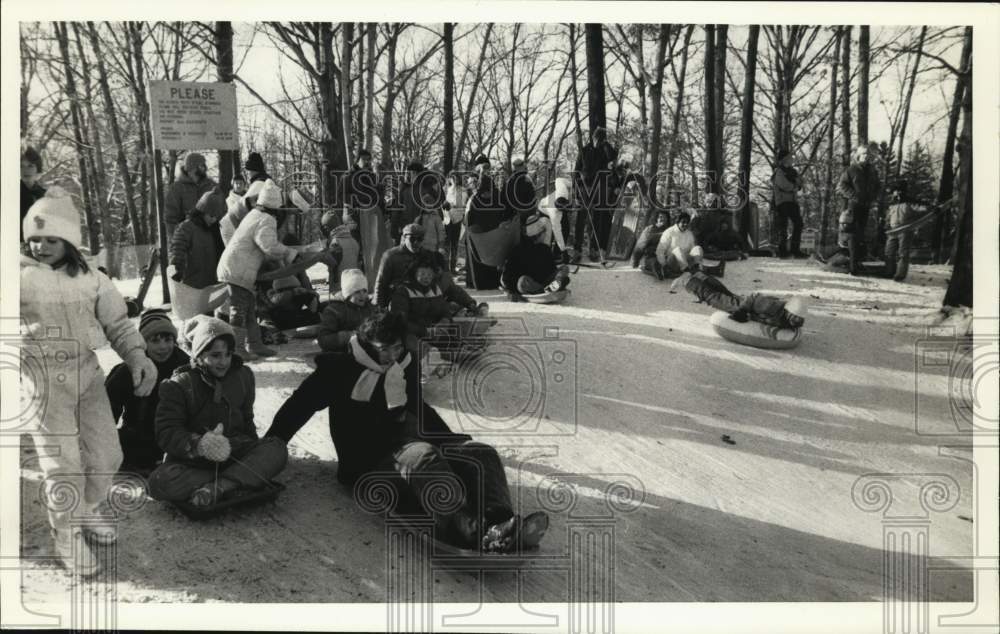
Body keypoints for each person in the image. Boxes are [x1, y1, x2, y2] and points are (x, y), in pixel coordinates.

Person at [265, 311, 549, 552]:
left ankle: (502, 524)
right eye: (383, 348)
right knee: (423, 456)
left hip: (402, 446)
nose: (391, 355)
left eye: (396, 347)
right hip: (366, 463)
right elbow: (299, 406)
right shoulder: (340, 369)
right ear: (366, 344)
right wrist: (271, 444)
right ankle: (475, 533)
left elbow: (418, 406)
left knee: (480, 452)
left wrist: (454, 443)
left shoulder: (404, 364)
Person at [21, 187, 158, 576]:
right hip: (42, 383)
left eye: (51, 238)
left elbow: (116, 322)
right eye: (35, 237)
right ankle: (67, 533)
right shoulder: (18, 277)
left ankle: (87, 507)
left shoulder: (91, 278)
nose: (41, 245)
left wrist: (136, 355)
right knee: (62, 466)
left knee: (106, 455)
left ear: (69, 241)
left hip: (86, 375)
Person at [148, 316, 288, 509]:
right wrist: (199, 444)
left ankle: (218, 488)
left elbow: (247, 418)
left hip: (234, 451)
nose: (223, 362)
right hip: (197, 462)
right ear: (199, 355)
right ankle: (240, 480)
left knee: (277, 449)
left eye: (228, 354)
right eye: (215, 355)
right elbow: (166, 432)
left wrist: (253, 453)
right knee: (159, 482)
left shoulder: (243, 376)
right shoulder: (179, 385)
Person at [217, 179, 296, 360]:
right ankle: (236, 348)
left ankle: (255, 344)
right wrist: (289, 252)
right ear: (276, 205)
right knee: (239, 309)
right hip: (238, 270)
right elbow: (269, 246)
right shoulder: (266, 219)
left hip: (236, 267)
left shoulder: (255, 214)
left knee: (250, 308)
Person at [106, 309, 190, 476]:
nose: (163, 347)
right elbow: (106, 413)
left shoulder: (185, 366)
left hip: (175, 436)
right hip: (139, 437)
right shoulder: (127, 371)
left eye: (168, 339)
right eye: (155, 340)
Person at [390, 250, 480, 356]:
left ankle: (458, 348)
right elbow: (400, 321)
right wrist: (425, 331)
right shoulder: (403, 291)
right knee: (414, 343)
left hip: (434, 331)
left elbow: (444, 310)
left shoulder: (435, 288)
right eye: (422, 273)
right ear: (414, 272)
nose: (426, 277)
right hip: (414, 333)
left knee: (451, 331)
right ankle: (436, 355)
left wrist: (444, 321)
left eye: (429, 274)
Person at [374, 223, 465, 309]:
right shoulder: (391, 256)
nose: (416, 243)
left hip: (421, 296)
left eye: (420, 239)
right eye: (412, 239)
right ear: (404, 238)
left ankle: (469, 304)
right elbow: (381, 283)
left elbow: (442, 281)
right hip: (400, 298)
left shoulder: (427, 255)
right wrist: (378, 308)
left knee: (445, 280)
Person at [683, 271, 808, 330]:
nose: (797, 322)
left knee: (724, 294)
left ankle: (701, 277)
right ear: (789, 312)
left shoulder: (791, 319)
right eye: (796, 318)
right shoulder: (771, 307)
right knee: (715, 298)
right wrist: (741, 311)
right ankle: (689, 282)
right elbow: (754, 297)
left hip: (748, 306)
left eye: (799, 320)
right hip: (745, 305)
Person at [463, 166, 514, 290]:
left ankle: (478, 282)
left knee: (481, 258)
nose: (487, 194)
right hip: (492, 234)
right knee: (489, 258)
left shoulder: (476, 199)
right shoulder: (498, 197)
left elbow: (469, 218)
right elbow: (508, 213)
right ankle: (489, 282)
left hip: (483, 235)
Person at [169, 190, 227, 297]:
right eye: (211, 215)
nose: (213, 219)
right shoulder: (187, 227)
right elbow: (177, 247)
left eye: (216, 217)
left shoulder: (215, 230)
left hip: (212, 286)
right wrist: (176, 267)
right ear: (201, 212)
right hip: (192, 286)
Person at [573, 127, 618, 262]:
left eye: (601, 140)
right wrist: (576, 192)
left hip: (598, 190)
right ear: (592, 137)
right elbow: (576, 171)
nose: (598, 142)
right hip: (584, 189)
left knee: (595, 220)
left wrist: (606, 145)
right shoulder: (584, 150)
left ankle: (593, 250)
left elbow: (613, 158)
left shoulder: (604, 151)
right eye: (597, 139)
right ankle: (577, 250)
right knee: (581, 220)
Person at [838, 143, 882, 273]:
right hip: (853, 206)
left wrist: (874, 197)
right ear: (858, 155)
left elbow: (878, 186)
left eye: (869, 154)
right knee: (852, 234)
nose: (867, 157)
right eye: (864, 154)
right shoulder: (851, 170)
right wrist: (854, 196)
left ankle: (858, 261)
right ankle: (853, 266)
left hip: (866, 206)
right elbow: (842, 186)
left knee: (861, 234)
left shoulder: (873, 171)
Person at [317, 269, 376, 353]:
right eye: (357, 292)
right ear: (348, 294)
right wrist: (348, 336)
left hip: (368, 351)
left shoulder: (370, 308)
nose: (362, 295)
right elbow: (324, 340)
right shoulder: (334, 310)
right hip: (343, 353)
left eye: (364, 291)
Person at [164, 152, 217, 243]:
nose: (204, 168)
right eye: (201, 166)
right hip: (187, 240)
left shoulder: (211, 186)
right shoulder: (176, 188)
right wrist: (177, 241)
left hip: (211, 239)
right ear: (191, 168)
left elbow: (222, 209)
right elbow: (170, 218)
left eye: (204, 165)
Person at [500, 239, 571, 302]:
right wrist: (511, 292)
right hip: (531, 284)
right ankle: (545, 289)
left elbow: (552, 268)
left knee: (564, 268)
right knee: (523, 281)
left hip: (545, 281)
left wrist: (557, 277)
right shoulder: (517, 250)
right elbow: (507, 277)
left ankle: (553, 285)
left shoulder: (544, 248)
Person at [771, 150, 805, 258]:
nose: (792, 159)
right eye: (790, 157)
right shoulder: (779, 171)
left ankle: (795, 250)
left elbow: (801, 181)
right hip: (782, 201)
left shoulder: (793, 171)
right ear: (784, 159)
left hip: (793, 201)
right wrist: (795, 186)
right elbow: (784, 185)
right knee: (783, 226)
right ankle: (782, 251)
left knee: (799, 223)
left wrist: (796, 184)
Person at [883, 180, 917, 282]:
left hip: (905, 230)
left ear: (901, 191)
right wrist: (886, 224)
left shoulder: (910, 202)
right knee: (889, 252)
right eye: (894, 191)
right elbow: (888, 216)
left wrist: (933, 208)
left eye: (897, 190)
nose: (895, 192)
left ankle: (900, 274)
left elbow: (922, 209)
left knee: (903, 253)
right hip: (893, 230)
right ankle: (890, 271)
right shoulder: (892, 203)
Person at [323, 209, 362, 296]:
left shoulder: (335, 243)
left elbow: (334, 267)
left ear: (327, 228)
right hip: (354, 284)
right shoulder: (353, 240)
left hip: (340, 288)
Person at [655, 211, 704, 277]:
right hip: (672, 263)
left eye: (687, 223)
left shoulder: (689, 234)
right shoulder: (669, 232)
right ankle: (686, 271)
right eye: (683, 222)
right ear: (678, 222)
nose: (685, 224)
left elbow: (693, 251)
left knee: (697, 248)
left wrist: (696, 259)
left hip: (686, 262)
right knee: (677, 249)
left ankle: (698, 269)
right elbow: (659, 251)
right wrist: (664, 265)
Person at [631, 211, 671, 278]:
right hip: (652, 255)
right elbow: (640, 245)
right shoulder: (649, 229)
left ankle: (666, 270)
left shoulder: (670, 230)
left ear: (667, 219)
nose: (663, 219)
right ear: (656, 219)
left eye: (665, 217)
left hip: (666, 256)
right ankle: (656, 270)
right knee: (653, 262)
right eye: (660, 217)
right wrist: (635, 261)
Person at [442, 171, 467, 273]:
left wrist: (452, 205)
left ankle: (452, 268)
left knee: (455, 244)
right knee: (446, 244)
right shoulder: (445, 189)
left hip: (457, 219)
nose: (454, 180)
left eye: (456, 178)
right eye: (452, 178)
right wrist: (444, 205)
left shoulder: (462, 190)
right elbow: (441, 203)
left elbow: (462, 205)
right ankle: (446, 267)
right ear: (449, 179)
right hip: (447, 219)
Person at [20, 146, 46, 243]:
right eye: (21, 166)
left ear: (38, 169)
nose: (25, 170)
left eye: (30, 166)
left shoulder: (45, 195)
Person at [503, 157, 538, 223]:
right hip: (525, 211)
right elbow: (532, 195)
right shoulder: (526, 179)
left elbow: (505, 196)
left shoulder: (509, 180)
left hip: (514, 212)